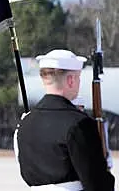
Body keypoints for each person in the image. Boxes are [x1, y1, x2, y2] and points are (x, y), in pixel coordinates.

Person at [14, 49, 115, 191]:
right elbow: (96, 183)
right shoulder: (79, 124)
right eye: (78, 77)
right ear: (70, 80)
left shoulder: (25, 123)